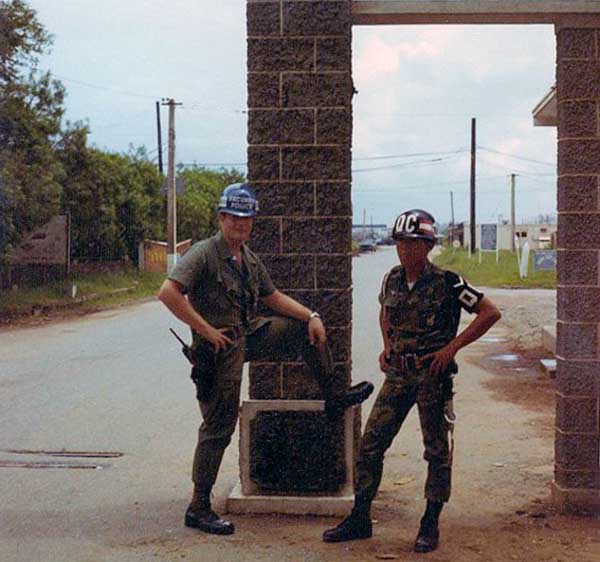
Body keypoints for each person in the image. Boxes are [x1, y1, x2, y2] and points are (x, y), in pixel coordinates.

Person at [158, 183, 374, 536]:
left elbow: (272, 297)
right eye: (234, 218)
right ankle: (198, 506)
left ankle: (333, 397)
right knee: (218, 426)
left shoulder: (247, 257)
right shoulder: (204, 253)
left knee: (302, 330)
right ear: (221, 217)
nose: (240, 224)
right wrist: (207, 330)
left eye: (247, 219)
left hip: (248, 334)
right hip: (219, 348)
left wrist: (311, 315)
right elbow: (168, 293)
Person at [322, 209, 501, 553]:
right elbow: (385, 312)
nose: (406, 250)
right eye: (401, 243)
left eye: (414, 244)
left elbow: (489, 312)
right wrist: (388, 345)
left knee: (436, 451)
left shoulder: (448, 282)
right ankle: (360, 517)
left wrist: (452, 348)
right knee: (371, 444)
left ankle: (430, 522)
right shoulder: (391, 278)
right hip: (398, 375)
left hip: (431, 376)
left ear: (429, 245)